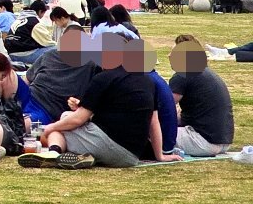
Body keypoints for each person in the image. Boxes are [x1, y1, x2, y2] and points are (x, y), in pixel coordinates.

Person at [23, 36, 176, 169]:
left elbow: (78, 119)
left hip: (107, 143)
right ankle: (85, 156)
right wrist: (160, 155)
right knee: (66, 116)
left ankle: (54, 153)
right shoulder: (146, 80)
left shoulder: (103, 78)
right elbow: (153, 121)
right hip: (132, 155)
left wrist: (50, 128)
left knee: (56, 128)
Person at [169, 36, 235, 157]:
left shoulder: (182, 75)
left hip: (203, 141)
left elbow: (164, 108)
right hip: (223, 141)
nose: (169, 56)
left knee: (150, 131)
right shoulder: (206, 73)